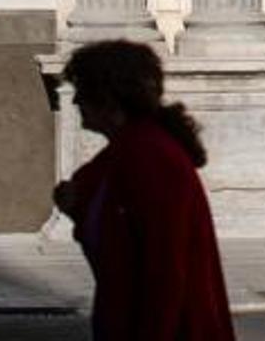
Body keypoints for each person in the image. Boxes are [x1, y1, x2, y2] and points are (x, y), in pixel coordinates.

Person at [53, 40, 235, 340]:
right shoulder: (127, 151)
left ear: (109, 97)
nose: (76, 102)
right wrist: (77, 206)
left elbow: (164, 267)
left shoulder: (150, 156)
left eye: (82, 91)